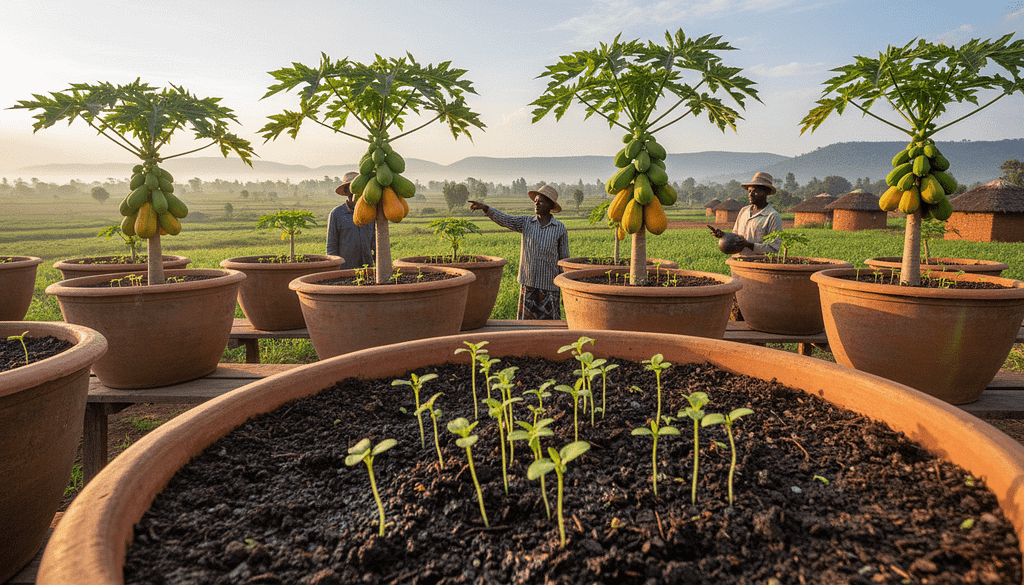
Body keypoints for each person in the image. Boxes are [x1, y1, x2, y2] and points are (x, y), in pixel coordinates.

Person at [469, 185, 570, 320]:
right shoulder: (526, 222)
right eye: (535, 201)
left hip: (550, 287)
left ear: (550, 205)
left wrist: (567, 290)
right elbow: (506, 220)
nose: (536, 203)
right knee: (526, 326)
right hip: (529, 284)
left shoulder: (559, 228)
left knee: (549, 328)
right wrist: (487, 209)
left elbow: (564, 260)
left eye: (541, 201)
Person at [709, 172, 783, 256]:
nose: (750, 194)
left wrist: (749, 245)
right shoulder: (744, 211)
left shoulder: (772, 216)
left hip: (758, 265)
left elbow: (774, 248)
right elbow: (735, 235)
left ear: (766, 192)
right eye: (749, 191)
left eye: (756, 191)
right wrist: (723, 235)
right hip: (737, 262)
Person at [327, 171, 375, 269]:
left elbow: (375, 244)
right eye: (352, 188)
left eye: (359, 188)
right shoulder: (337, 214)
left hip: (367, 268)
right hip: (344, 269)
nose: (355, 192)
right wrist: (333, 269)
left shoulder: (371, 213)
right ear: (346, 191)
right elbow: (331, 247)